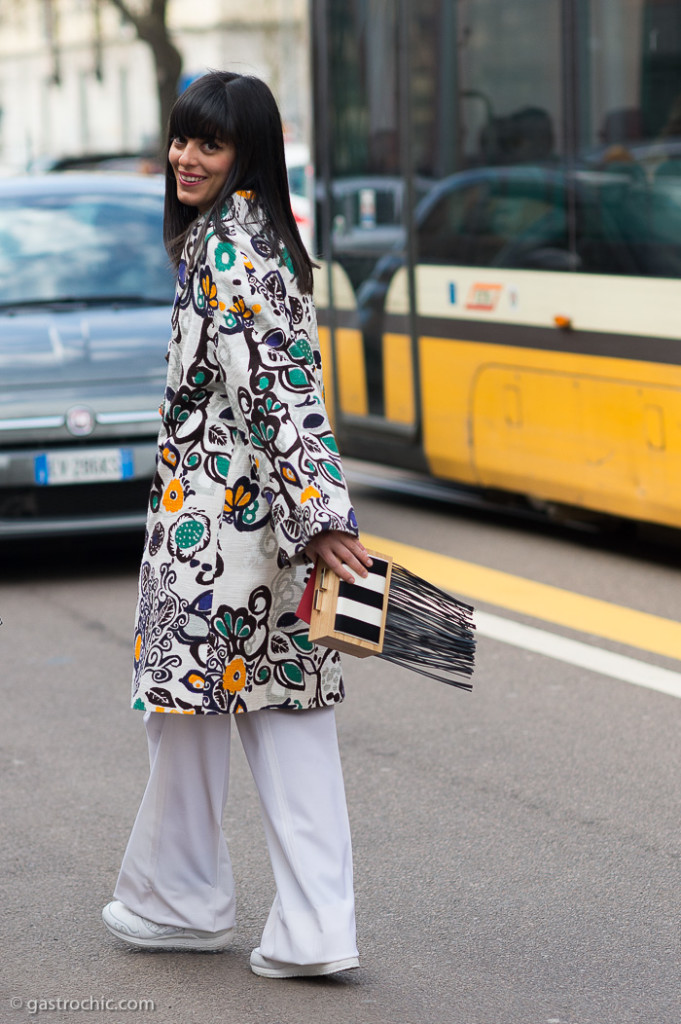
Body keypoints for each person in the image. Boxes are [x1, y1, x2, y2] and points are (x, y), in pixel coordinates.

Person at [102, 70, 372, 979]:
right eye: (181, 138)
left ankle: (184, 900)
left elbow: (278, 395)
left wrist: (324, 517)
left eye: (207, 143)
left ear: (245, 152)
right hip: (255, 538)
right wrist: (318, 518)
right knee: (267, 723)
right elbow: (284, 391)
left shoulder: (229, 250)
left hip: (220, 542)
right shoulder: (256, 238)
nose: (184, 156)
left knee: (209, 718)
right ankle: (281, 923)